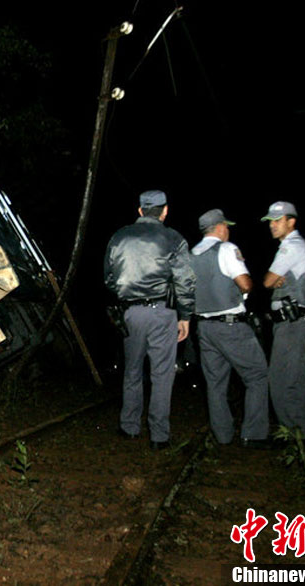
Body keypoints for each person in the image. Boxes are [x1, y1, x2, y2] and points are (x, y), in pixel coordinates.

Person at [104, 190, 195, 450]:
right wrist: (185, 315)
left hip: (131, 313)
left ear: (140, 210)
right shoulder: (173, 238)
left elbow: (109, 278)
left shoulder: (119, 237)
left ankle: (129, 427)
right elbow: (185, 281)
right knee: (162, 374)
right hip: (163, 312)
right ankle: (159, 436)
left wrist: (126, 297)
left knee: (132, 371)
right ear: (165, 211)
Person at [191, 209, 270, 448]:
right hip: (231, 327)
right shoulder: (226, 249)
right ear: (220, 227)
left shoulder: (191, 254)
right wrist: (245, 291)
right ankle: (253, 434)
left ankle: (223, 436)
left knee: (215, 385)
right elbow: (244, 283)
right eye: (227, 226)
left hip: (204, 328)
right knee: (257, 375)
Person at [261, 201, 305, 439]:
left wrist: (276, 279)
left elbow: (267, 281)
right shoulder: (295, 246)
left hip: (291, 324)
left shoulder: (291, 247)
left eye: (277, 220)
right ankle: (301, 430)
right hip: (296, 322)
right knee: (298, 378)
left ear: (291, 222)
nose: (272, 225)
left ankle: (290, 433)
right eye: (270, 221)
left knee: (280, 378)